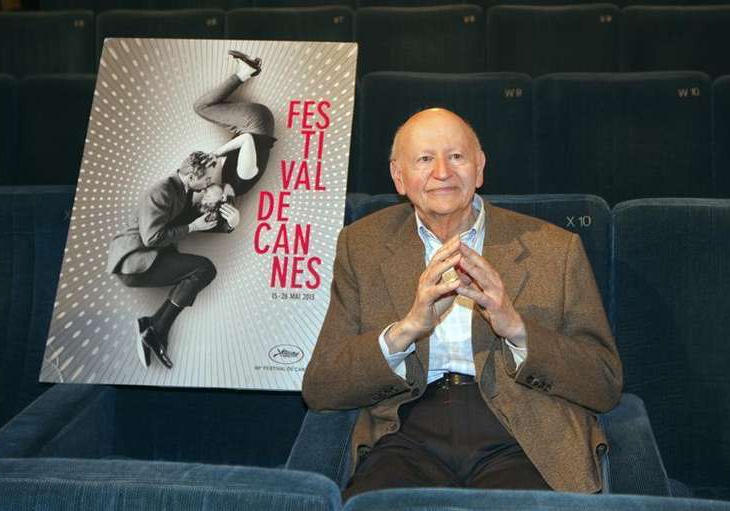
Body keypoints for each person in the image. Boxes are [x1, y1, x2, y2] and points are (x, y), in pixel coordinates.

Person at [302, 108, 622, 499]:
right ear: (398, 177)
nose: (442, 172)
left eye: (456, 156)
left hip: (522, 431)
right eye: (424, 159)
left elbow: (605, 383)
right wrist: (407, 330)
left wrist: (516, 329)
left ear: (480, 168)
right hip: (406, 429)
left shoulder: (555, 249)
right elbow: (322, 386)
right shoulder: (361, 245)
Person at [107, 151, 241, 370]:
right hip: (134, 261)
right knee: (204, 269)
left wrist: (231, 222)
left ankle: (153, 326)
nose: (209, 183)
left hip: (152, 255)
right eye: (207, 179)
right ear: (191, 176)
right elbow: (152, 238)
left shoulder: (183, 189)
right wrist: (193, 227)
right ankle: (157, 329)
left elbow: (193, 221)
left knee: (202, 270)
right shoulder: (162, 191)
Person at [193, 50, 276, 198]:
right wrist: (216, 153)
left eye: (202, 191)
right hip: (256, 122)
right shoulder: (242, 180)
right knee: (201, 107)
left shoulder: (227, 181)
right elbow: (247, 139)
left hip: (248, 127)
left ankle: (247, 72)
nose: (205, 191)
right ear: (223, 199)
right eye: (207, 197)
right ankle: (245, 71)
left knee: (206, 108)